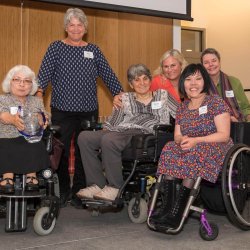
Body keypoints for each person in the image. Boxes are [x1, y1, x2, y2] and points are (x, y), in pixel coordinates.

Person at [37, 8, 123, 208]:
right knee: (62, 151)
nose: (76, 28)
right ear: (66, 27)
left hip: (88, 110)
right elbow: (42, 77)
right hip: (62, 110)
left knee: (86, 151)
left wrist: (118, 92)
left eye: (80, 25)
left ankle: (80, 191)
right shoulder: (56, 48)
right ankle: (64, 190)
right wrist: (38, 99)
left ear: (85, 28)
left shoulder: (93, 50)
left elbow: (108, 74)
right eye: (71, 25)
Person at [76, 64, 178, 201]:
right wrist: (101, 132)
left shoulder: (162, 95)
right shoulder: (124, 98)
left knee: (110, 139)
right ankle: (97, 185)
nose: (142, 83)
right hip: (121, 130)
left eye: (145, 78)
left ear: (150, 80)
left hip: (146, 133)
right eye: (137, 80)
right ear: (131, 84)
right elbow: (114, 123)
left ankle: (114, 187)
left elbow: (181, 114)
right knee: (85, 137)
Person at [150, 63, 234, 229]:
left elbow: (223, 135)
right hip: (191, 144)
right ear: (183, 83)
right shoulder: (182, 107)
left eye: (198, 79)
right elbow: (177, 135)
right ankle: (167, 207)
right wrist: (183, 140)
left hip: (215, 145)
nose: (193, 83)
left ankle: (177, 211)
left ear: (205, 82)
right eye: (188, 79)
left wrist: (196, 140)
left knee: (195, 152)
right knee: (169, 149)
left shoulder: (215, 102)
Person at [0, 65, 49, 193]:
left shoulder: (36, 101)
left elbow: (45, 115)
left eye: (27, 81)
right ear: (10, 82)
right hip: (6, 137)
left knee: (34, 142)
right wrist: (12, 119)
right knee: (6, 144)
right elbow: (2, 115)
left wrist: (43, 118)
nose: (22, 84)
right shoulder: (2, 99)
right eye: (17, 80)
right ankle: (7, 177)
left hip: (30, 137)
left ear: (31, 85)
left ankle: (31, 175)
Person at [113, 49, 187, 108]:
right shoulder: (157, 81)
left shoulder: (189, 81)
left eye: (173, 65)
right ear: (162, 68)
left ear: (181, 65)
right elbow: (141, 92)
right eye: (166, 66)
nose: (170, 69)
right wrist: (120, 98)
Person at [201, 48, 250, 122]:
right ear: (202, 66)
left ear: (219, 62)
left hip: (236, 126)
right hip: (210, 129)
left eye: (214, 61)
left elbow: (245, 108)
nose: (211, 64)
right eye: (206, 62)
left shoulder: (234, 82)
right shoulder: (199, 85)